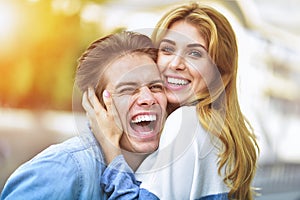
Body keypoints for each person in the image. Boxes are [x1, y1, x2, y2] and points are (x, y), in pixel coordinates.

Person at [84, 2, 259, 200]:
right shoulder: (219, 133)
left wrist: (111, 150)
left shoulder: (187, 123)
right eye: (167, 50)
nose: (175, 64)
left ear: (221, 73)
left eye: (195, 53)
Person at [0, 31, 168, 199]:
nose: (148, 98)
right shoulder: (62, 168)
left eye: (155, 87)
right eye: (128, 89)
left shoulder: (166, 168)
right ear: (97, 103)